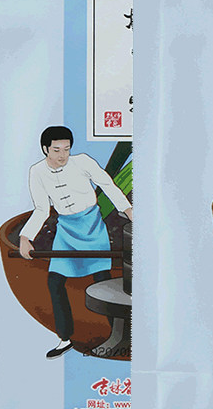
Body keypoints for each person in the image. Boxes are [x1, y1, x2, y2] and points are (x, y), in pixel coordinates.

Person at [18, 126, 133, 359]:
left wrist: (128, 210)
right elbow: (41, 209)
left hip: (92, 226)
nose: (62, 155)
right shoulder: (37, 171)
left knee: (103, 280)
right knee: (55, 281)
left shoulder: (83, 162)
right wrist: (25, 237)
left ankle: (118, 337)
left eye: (66, 149)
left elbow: (108, 185)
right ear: (45, 149)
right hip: (66, 231)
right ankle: (65, 338)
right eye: (56, 150)